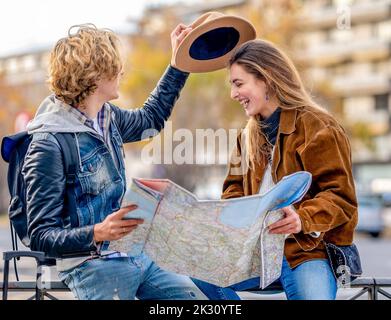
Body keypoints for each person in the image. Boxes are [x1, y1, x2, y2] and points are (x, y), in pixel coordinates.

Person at [22, 23, 207, 300]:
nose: (121, 72)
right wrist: (97, 232)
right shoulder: (49, 142)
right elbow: (41, 235)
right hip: (91, 264)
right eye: (115, 67)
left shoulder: (107, 118)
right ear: (95, 76)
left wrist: (178, 63)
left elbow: (151, 119)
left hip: (135, 254)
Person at [192, 39, 358, 300]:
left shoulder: (318, 126)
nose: (233, 95)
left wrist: (301, 219)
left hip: (305, 253)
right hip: (255, 255)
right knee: (197, 265)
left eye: (238, 84)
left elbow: (340, 198)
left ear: (266, 79)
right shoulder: (245, 136)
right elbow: (232, 190)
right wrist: (229, 218)